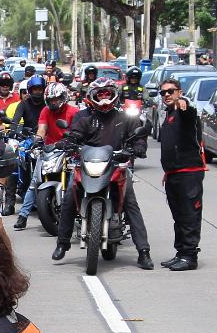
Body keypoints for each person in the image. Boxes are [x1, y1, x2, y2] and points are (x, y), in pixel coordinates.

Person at [51, 78, 153, 269]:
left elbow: (138, 137)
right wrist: (67, 142)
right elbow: (74, 134)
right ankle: (62, 243)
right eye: (100, 94)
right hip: (87, 166)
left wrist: (138, 147)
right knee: (68, 200)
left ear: (114, 95)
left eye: (107, 94)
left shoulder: (126, 118)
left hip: (116, 166)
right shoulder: (85, 118)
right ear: (92, 97)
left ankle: (143, 252)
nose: (104, 98)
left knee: (131, 203)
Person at [14, 82, 79, 230]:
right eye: (50, 100)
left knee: (76, 181)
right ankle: (23, 216)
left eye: (56, 99)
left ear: (63, 97)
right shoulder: (45, 111)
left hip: (70, 150)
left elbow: (78, 132)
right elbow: (42, 129)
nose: (53, 103)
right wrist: (37, 142)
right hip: (50, 149)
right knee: (34, 182)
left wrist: (71, 142)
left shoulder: (74, 112)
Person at [157, 78, 205, 271]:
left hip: (189, 173)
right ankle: (181, 252)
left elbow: (189, 112)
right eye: (163, 92)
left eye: (171, 91)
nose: (167, 95)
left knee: (189, 215)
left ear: (179, 92)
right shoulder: (168, 114)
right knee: (178, 216)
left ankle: (189, 256)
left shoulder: (184, 111)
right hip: (173, 173)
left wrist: (183, 103)